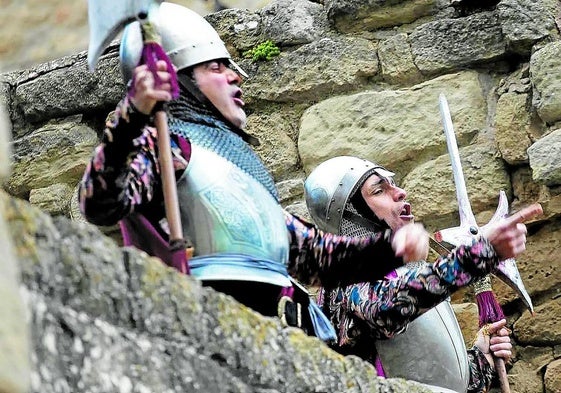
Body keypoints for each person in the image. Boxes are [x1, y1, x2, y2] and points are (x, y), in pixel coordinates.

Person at [79, 2, 532, 355]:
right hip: (210, 333)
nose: (237, 75)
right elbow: (99, 201)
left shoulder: (241, 172)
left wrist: (391, 249)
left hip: (272, 337)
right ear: (181, 83)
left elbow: (315, 255)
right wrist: (131, 117)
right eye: (217, 66)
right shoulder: (167, 151)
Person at [304, 156, 525, 393]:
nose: (400, 192)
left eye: (393, 183)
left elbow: (440, 384)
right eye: (379, 190)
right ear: (349, 216)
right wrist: (476, 257)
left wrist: (483, 357)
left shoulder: (411, 277)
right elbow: (385, 310)